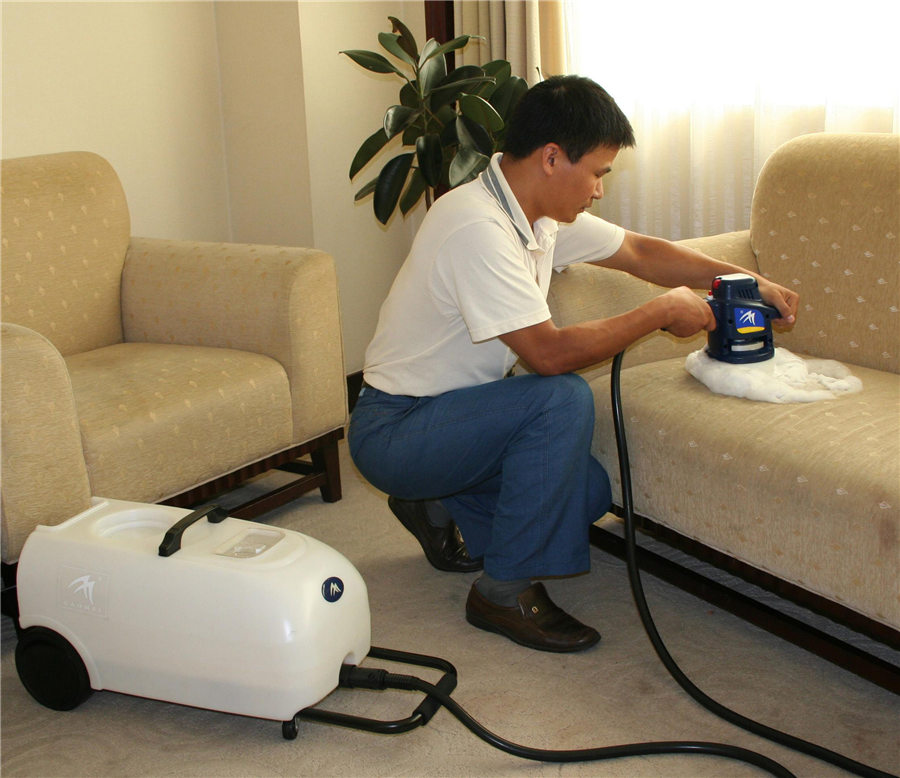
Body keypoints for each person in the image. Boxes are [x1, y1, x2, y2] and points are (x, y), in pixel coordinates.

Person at [348, 75, 798, 653]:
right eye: (598, 173)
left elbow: (640, 252)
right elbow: (548, 354)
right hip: (396, 428)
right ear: (552, 158)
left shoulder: (535, 215)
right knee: (559, 398)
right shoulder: (476, 227)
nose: (600, 190)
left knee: (585, 493)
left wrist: (749, 281)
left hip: (454, 414)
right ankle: (502, 593)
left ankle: (436, 499)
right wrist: (659, 313)